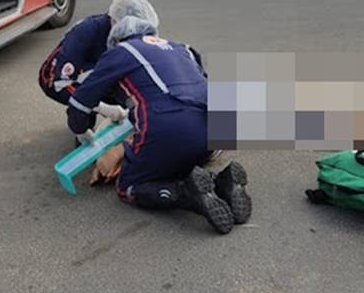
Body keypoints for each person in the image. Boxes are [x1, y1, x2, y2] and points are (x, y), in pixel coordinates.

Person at [66, 16, 251, 234]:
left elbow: (79, 103)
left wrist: (84, 135)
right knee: (173, 162)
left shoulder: (120, 52)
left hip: (168, 127)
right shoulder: (181, 48)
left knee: (128, 187)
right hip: (211, 129)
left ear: (116, 38)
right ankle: (222, 180)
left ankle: (185, 194)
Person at [38, 0, 159, 107]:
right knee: (83, 111)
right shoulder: (86, 30)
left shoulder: (136, 34)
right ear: (117, 21)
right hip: (60, 76)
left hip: (97, 71)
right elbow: (59, 82)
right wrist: (99, 108)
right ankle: (85, 113)